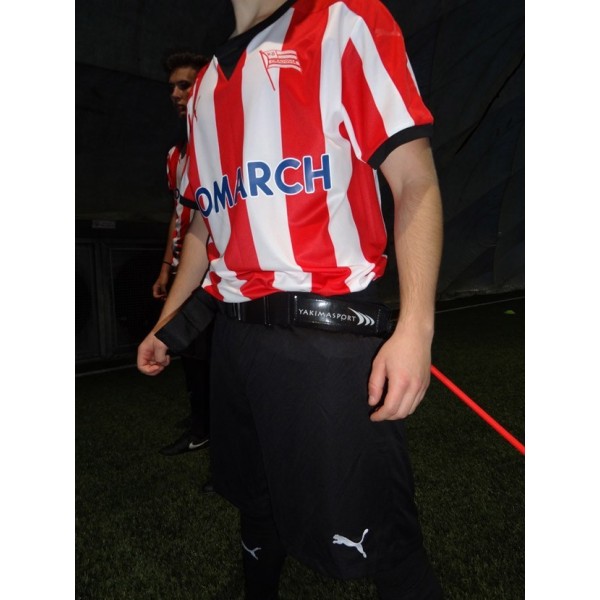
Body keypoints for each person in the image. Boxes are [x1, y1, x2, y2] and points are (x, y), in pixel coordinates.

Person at [139, 0, 444, 598]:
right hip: (235, 340)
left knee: (382, 534)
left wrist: (416, 328)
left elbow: (415, 179)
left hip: (326, 343)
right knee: (255, 504)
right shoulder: (204, 88)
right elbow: (204, 223)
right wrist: (166, 322)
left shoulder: (344, 20)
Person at [150, 51, 212, 457]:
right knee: (190, 351)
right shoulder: (176, 156)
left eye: (184, 85)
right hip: (187, 266)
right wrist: (165, 268)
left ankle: (210, 427)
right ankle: (202, 421)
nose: (175, 93)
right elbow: (179, 215)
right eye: (172, 86)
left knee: (212, 355)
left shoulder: (224, 142)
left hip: (218, 272)